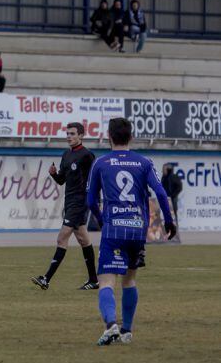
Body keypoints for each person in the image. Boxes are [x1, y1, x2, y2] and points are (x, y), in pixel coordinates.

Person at [87, 117, 176, 345]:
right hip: (137, 231)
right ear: (131, 137)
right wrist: (169, 221)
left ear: (109, 136)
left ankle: (111, 326)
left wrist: (102, 220)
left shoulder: (101, 163)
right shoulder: (144, 162)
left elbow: (90, 201)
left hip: (113, 229)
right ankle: (126, 331)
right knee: (129, 281)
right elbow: (161, 193)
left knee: (106, 282)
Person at [31, 122, 98, 290]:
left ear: (81, 136)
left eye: (73, 133)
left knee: (62, 238)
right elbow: (62, 180)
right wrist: (54, 174)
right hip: (69, 202)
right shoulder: (66, 155)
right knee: (83, 240)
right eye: (67, 133)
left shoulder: (87, 155)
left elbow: (94, 179)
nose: (69, 136)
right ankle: (94, 280)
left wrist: (92, 199)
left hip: (79, 202)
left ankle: (46, 279)